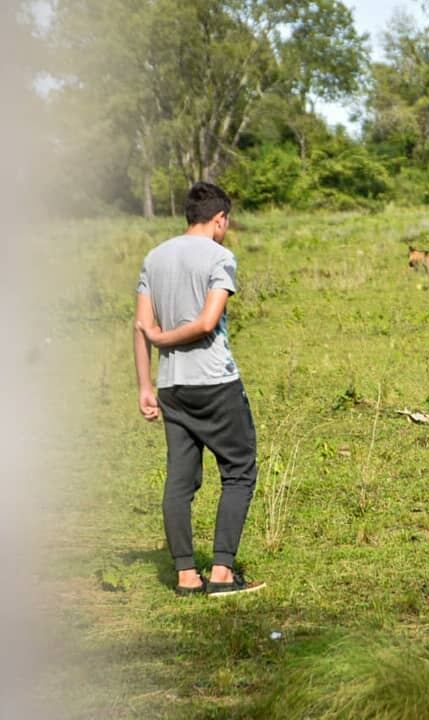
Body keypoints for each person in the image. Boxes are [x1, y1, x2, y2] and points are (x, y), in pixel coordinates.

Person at [133, 182, 264, 596]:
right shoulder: (219, 256)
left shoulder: (154, 257)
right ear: (219, 218)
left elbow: (141, 326)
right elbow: (208, 323)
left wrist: (144, 384)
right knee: (240, 470)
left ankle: (186, 576)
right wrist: (164, 339)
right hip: (214, 382)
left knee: (180, 481)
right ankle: (223, 573)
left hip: (172, 386)